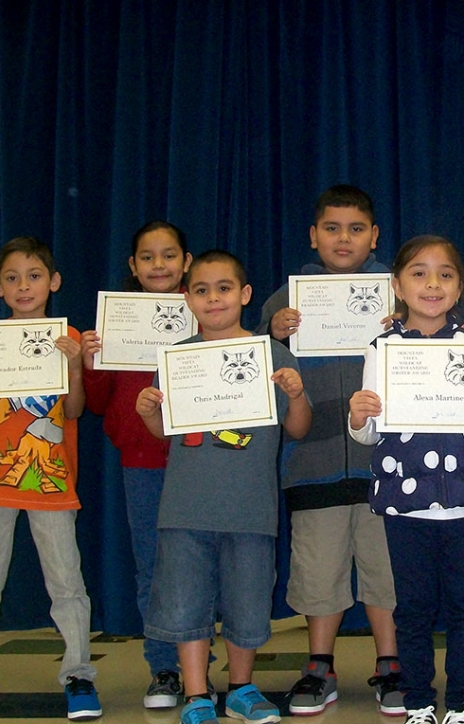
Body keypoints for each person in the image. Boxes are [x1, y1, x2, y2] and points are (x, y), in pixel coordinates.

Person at [348, 235, 464, 724]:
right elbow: (369, 435)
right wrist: (359, 416)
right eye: (419, 273)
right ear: (397, 285)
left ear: (460, 287)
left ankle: (463, 701)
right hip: (407, 504)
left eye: (445, 274)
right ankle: (419, 700)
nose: (432, 284)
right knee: (414, 609)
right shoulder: (382, 349)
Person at [136, 250, 312, 724]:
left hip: (250, 508)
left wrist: (295, 395)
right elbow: (162, 433)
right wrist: (150, 410)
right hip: (185, 508)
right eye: (201, 290)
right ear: (187, 299)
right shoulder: (177, 359)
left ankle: (240, 688)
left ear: (245, 294)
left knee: (248, 600)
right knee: (185, 602)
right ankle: (196, 695)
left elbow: (298, 429)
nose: (213, 298)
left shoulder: (272, 353)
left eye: (224, 288)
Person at [255, 185, 402, 716]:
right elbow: (248, 368)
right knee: (319, 571)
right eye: (333, 229)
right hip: (311, 463)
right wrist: (272, 333)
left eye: (357, 228)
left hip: (385, 462)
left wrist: (401, 329)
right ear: (313, 235)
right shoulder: (284, 301)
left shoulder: (397, 293)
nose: (345, 239)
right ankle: (319, 665)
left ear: (374, 236)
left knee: (386, 568)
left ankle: (391, 663)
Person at [0, 237, 101, 722]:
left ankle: (78, 676)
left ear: (53, 283)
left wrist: (75, 363)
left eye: (34, 276)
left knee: (67, 584)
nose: (23, 286)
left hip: (50, 481)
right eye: (12, 278)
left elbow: (73, 410)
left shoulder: (67, 338)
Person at [80, 221, 191, 709]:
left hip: (201, 460)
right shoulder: (116, 324)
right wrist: (91, 361)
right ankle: (164, 669)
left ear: (186, 262)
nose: (159, 265)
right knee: (154, 568)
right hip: (142, 463)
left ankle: (199, 666)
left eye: (169, 256)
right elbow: (101, 404)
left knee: (201, 566)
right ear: (133, 266)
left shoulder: (204, 311)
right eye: (148, 257)